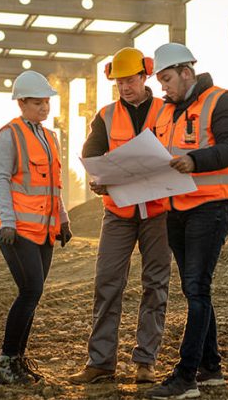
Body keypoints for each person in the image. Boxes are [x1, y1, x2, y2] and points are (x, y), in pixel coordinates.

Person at [145, 43, 228, 399]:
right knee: (195, 289)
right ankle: (211, 368)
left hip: (211, 208)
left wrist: (195, 160)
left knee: (197, 289)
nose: (164, 88)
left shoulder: (223, 100)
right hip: (177, 210)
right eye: (160, 81)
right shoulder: (165, 113)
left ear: (187, 72)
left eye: (168, 79)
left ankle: (186, 377)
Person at [68, 48, 171, 386]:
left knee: (155, 285)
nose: (125, 87)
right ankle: (100, 363)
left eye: (130, 80)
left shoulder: (167, 111)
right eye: (119, 82)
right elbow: (90, 154)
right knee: (108, 283)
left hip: (158, 211)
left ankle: (145, 362)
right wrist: (100, 181)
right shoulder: (106, 115)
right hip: (118, 211)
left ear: (145, 77)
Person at [0, 70, 73, 386]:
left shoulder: (49, 136)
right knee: (30, 290)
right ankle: (6, 363)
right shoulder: (8, 135)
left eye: (47, 102)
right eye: (37, 102)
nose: (44, 108)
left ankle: (18, 361)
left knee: (33, 294)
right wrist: (8, 222)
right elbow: (0, 179)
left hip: (44, 229)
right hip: (16, 230)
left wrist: (63, 218)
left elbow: (53, 184)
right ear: (21, 103)